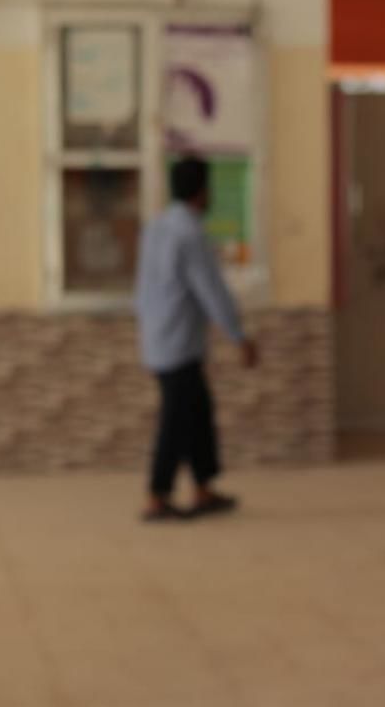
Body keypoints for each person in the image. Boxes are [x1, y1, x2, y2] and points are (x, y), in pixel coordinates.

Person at [135, 155, 258, 522]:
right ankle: (157, 495)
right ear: (203, 191)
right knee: (177, 419)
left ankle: (204, 488)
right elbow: (212, 292)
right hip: (177, 344)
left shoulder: (158, 227)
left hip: (159, 336)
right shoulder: (190, 234)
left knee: (198, 412)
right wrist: (239, 336)